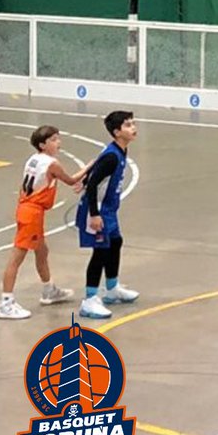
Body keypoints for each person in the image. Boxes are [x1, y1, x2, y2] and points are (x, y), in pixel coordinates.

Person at [0, 126, 91, 320]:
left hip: (28, 209)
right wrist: (90, 166)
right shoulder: (52, 164)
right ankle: (5, 302)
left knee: (42, 251)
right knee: (17, 257)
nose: (58, 143)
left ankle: (48, 289)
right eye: (54, 140)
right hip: (32, 212)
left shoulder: (33, 159)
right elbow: (72, 180)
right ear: (43, 144)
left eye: (58, 138)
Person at [77, 111, 139, 320]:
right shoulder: (112, 156)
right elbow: (94, 183)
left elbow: (96, 169)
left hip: (110, 210)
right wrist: (94, 214)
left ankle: (112, 288)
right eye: (128, 125)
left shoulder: (120, 151)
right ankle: (89, 299)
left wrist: (85, 177)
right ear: (117, 132)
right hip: (97, 210)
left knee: (116, 242)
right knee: (100, 252)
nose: (133, 127)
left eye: (133, 124)